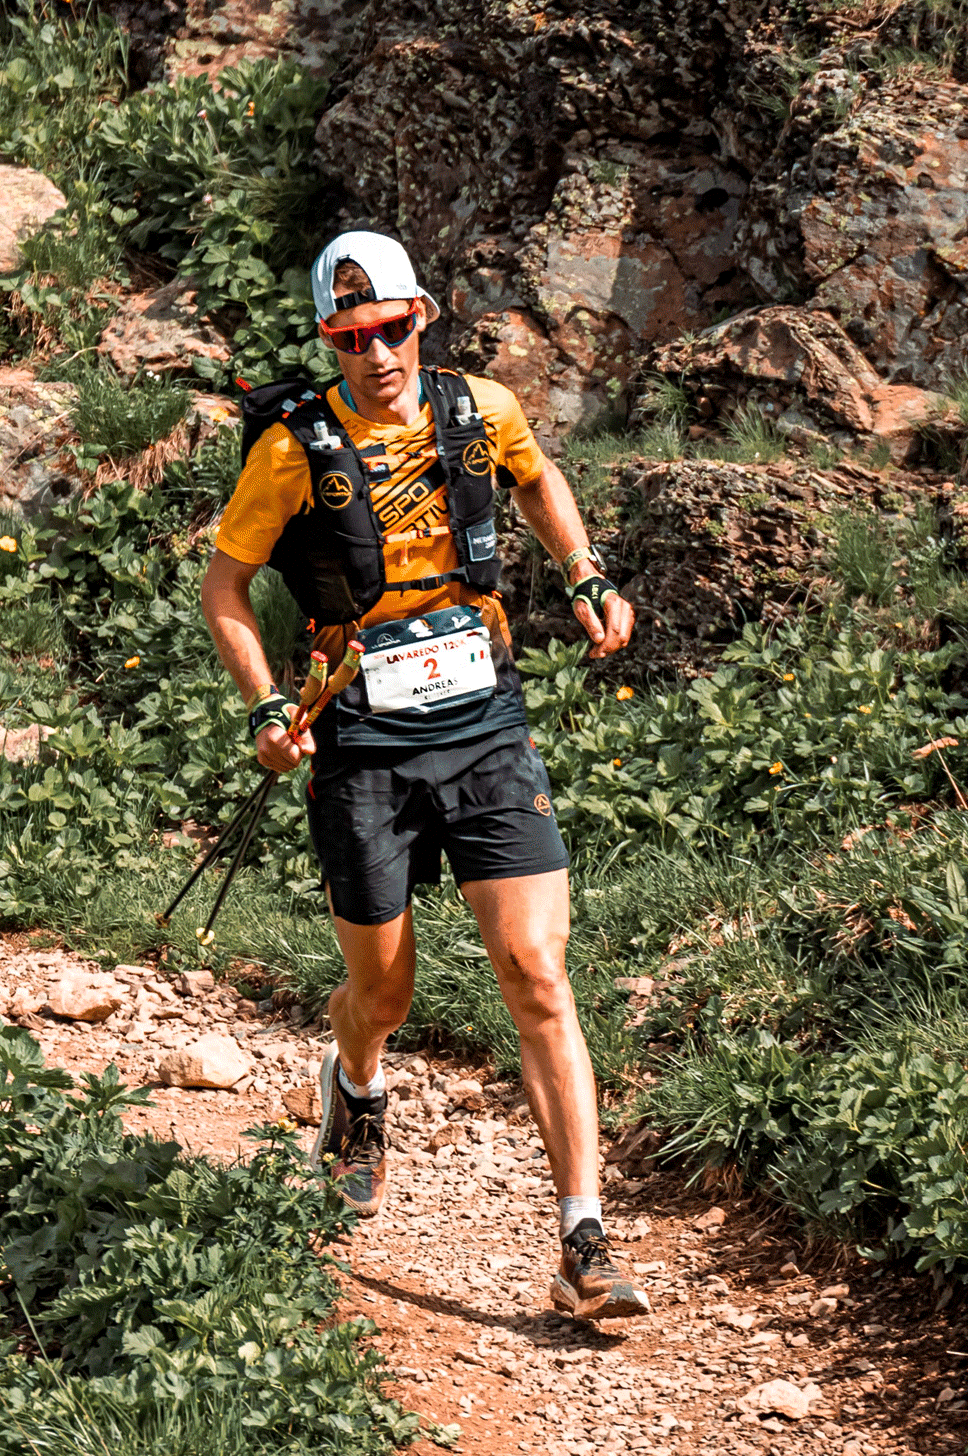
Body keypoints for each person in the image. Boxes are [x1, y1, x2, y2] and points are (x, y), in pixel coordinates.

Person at [199, 230, 648, 1320]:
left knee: (538, 974)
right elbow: (225, 589)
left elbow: (540, 486)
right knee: (384, 992)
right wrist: (267, 706)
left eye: (393, 328)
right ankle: (355, 1086)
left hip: (486, 718)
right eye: (352, 337)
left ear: (423, 317)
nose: (376, 352)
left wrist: (583, 571)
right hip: (360, 737)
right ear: (329, 340)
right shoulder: (292, 449)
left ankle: (584, 1240)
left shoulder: (480, 409)